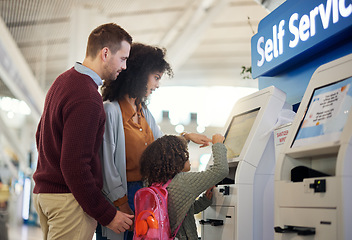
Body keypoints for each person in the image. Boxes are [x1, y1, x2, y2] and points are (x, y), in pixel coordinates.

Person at [96, 42, 212, 240]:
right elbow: (107, 167)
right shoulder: (111, 111)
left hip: (144, 194)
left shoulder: (144, 113)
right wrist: (122, 204)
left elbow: (161, 146)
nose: (157, 85)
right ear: (140, 75)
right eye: (156, 78)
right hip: (121, 197)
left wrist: (186, 137)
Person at [32, 23, 134, 240]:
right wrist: (108, 215)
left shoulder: (63, 81)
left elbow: (40, 135)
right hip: (69, 201)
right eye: (123, 59)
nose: (124, 66)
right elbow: (74, 166)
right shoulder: (87, 96)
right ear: (105, 53)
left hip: (46, 196)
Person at [139, 134, 229, 240]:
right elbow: (220, 170)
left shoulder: (154, 182)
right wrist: (218, 144)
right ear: (176, 160)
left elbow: (181, 213)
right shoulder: (183, 182)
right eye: (184, 154)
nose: (187, 156)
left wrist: (187, 137)